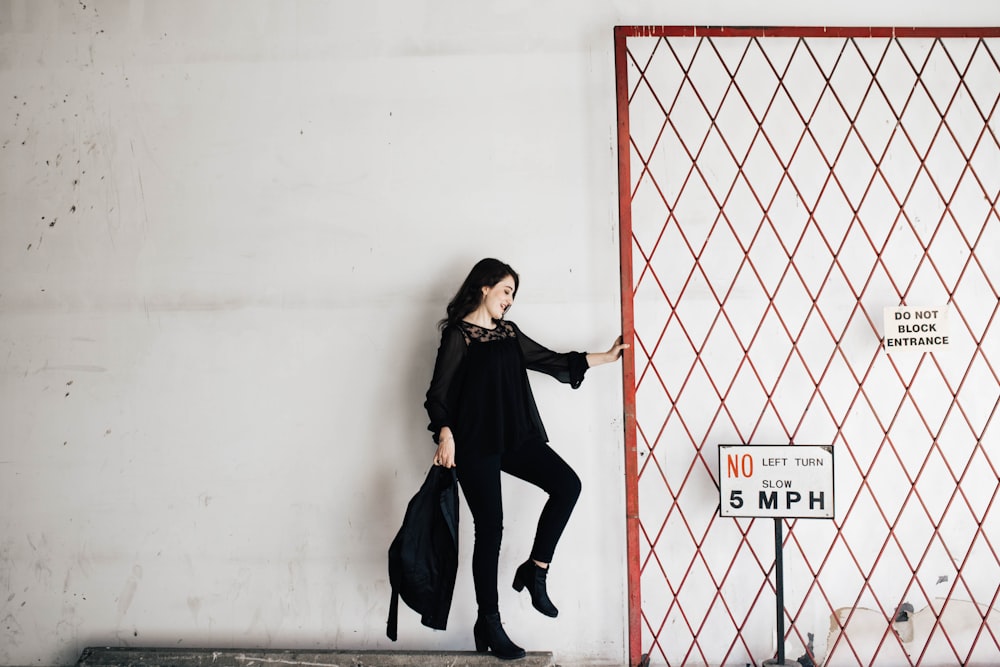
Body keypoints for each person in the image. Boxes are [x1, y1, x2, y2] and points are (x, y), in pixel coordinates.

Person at [424, 258, 627, 660]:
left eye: (513, 295)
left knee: (567, 485)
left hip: (513, 436)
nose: (510, 301)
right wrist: (445, 434)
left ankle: (536, 568)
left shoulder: (508, 333)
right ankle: (490, 620)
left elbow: (549, 361)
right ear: (484, 287)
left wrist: (605, 357)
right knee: (491, 529)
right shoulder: (459, 336)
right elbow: (438, 394)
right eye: (506, 291)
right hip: (474, 444)